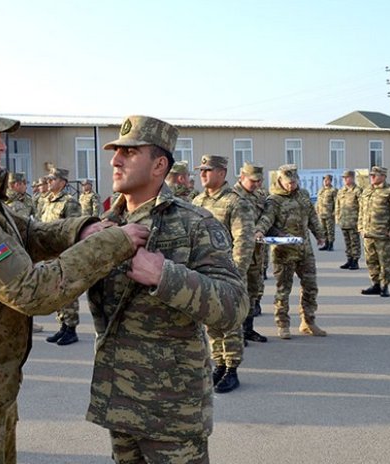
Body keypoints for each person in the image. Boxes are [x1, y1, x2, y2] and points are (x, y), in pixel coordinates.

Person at [0, 89, 148, 463]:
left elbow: (28, 233)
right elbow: (33, 291)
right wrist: (112, 244)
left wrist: (78, 231)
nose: (1, 147)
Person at [87, 115, 248, 463]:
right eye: (116, 152)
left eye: (129, 153)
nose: (115, 160)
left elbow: (234, 306)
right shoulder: (106, 227)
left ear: (159, 164)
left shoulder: (195, 223)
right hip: (120, 402)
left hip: (172, 412)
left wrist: (166, 276)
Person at [192, 154, 256, 393]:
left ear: (221, 172)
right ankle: (218, 362)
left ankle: (232, 369)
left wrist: (236, 272)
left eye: (208, 170)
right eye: (201, 170)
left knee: (229, 320)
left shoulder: (235, 202)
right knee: (210, 320)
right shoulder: (198, 201)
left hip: (226, 272)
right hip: (203, 271)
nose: (203, 174)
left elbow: (244, 239)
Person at [254, 164, 327, 339]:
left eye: (294, 182)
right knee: (283, 290)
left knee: (310, 287)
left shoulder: (303, 195)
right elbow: (266, 219)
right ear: (280, 180)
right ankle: (283, 324)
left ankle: (308, 321)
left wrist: (320, 235)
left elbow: (312, 218)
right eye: (288, 182)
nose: (291, 185)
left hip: (305, 251)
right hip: (283, 252)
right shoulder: (274, 200)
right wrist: (259, 230)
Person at [40, 166, 84, 346]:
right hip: (49, 253)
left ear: (63, 182)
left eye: (53, 179)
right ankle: (62, 325)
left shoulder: (70, 202)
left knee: (67, 290)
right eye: (48, 179)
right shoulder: (47, 201)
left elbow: (73, 228)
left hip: (63, 253)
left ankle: (71, 328)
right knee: (55, 290)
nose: (49, 182)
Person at [233, 163, 269, 338]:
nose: (257, 184)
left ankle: (248, 329)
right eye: (253, 181)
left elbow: (266, 217)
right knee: (238, 293)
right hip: (237, 254)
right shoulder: (232, 197)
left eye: (259, 181)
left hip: (255, 253)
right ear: (242, 177)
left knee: (253, 291)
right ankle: (235, 333)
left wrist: (260, 228)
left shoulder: (258, 197)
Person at [358, 166, 390, 297]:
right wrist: (360, 227)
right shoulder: (367, 191)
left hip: (382, 233)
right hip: (368, 233)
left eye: (375, 175)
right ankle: (375, 284)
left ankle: (385, 286)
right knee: (370, 261)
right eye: (371, 175)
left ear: (383, 176)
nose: (372, 177)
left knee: (384, 262)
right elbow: (362, 210)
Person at [336, 170, 362, 270]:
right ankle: (349, 259)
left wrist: (360, 221)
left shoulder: (357, 190)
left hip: (353, 221)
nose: (345, 180)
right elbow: (338, 205)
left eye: (347, 177)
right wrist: (338, 218)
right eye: (344, 178)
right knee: (347, 242)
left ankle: (355, 261)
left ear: (352, 178)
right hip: (344, 221)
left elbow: (362, 206)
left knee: (354, 242)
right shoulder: (341, 190)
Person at [317, 174, 337, 251]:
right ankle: (326, 244)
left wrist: (334, 212)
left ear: (330, 181)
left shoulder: (333, 190)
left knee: (330, 230)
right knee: (323, 230)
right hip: (321, 214)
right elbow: (318, 202)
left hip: (329, 214)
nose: (325, 181)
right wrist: (317, 211)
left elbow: (336, 203)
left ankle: (331, 245)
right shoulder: (321, 190)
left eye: (327, 180)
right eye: (324, 180)